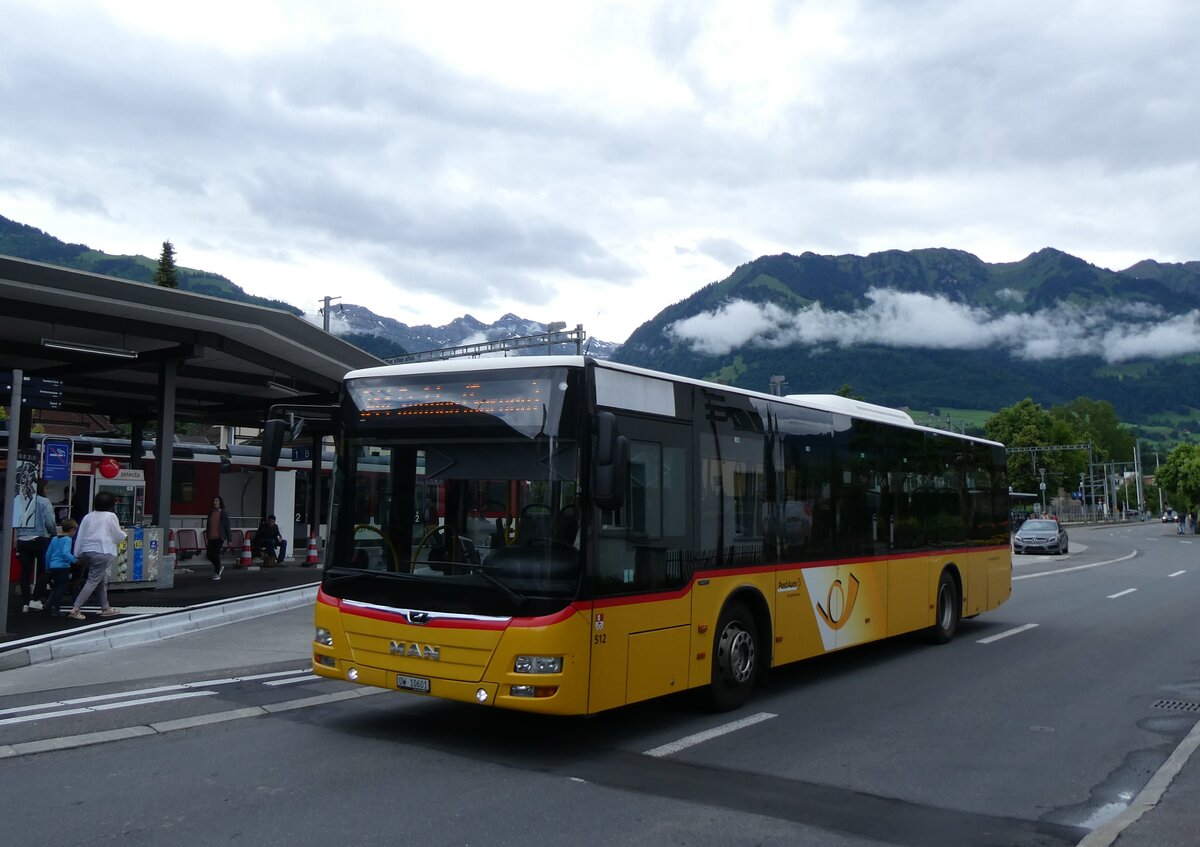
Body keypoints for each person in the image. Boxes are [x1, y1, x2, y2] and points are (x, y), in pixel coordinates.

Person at [67, 491, 125, 621]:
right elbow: (117, 534)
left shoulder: (88, 516)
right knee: (93, 580)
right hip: (103, 551)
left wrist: (77, 553)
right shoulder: (111, 516)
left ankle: (105, 607)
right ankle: (76, 608)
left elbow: (80, 535)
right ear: (111, 504)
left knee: (100, 579)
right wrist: (123, 536)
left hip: (87, 551)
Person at [13, 475, 58, 613]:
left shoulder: (20, 501)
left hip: (22, 539)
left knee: (25, 571)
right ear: (41, 488)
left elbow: (16, 522)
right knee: (44, 570)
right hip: (40, 538)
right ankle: (36, 598)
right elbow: (50, 522)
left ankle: (26, 602)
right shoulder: (44, 502)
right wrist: (54, 534)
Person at [45, 518, 78, 617]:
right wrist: (75, 560)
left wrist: (47, 566)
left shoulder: (55, 539)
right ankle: (56, 608)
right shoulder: (68, 539)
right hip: (63, 566)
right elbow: (65, 553)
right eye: (75, 530)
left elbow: (48, 554)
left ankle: (49, 604)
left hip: (53, 566)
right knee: (61, 588)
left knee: (55, 586)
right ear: (72, 530)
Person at [206, 495, 232, 580]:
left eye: (216, 501)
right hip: (211, 536)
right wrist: (207, 534)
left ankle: (217, 572)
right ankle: (219, 566)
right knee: (209, 554)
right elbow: (208, 525)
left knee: (215, 554)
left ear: (220, 502)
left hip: (219, 537)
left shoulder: (223, 512)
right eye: (214, 501)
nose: (215, 503)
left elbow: (227, 526)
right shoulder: (210, 512)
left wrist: (229, 539)